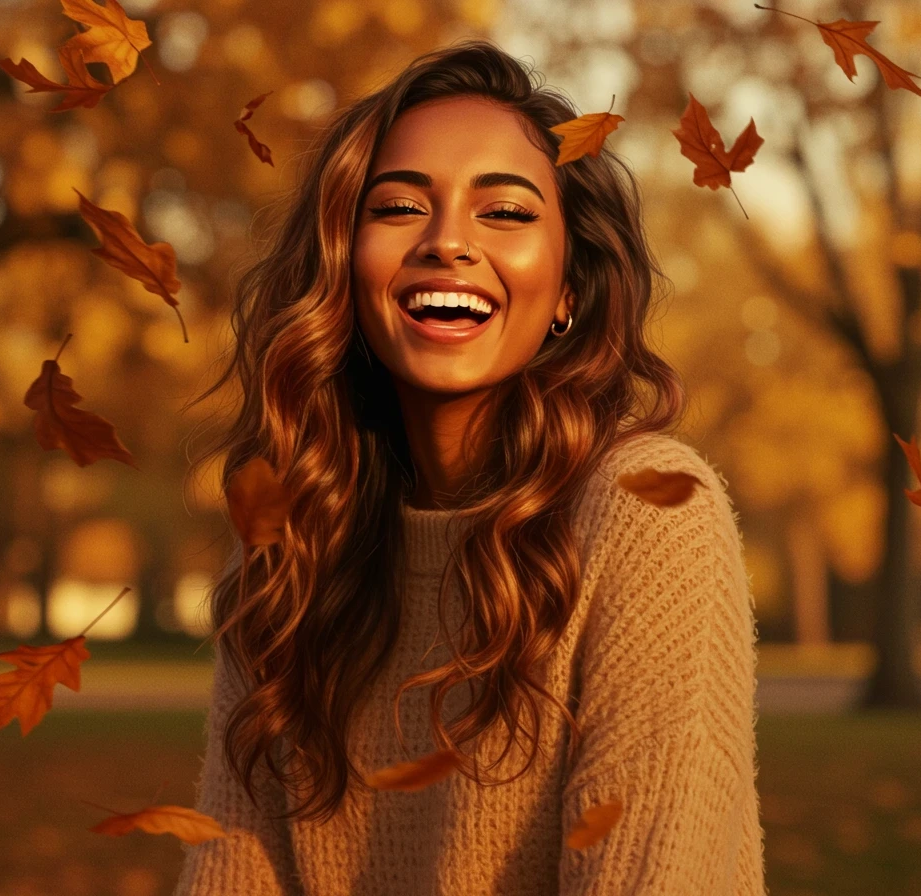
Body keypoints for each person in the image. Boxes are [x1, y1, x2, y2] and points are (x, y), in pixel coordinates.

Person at [175, 38, 766, 896]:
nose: (448, 242)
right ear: (344, 263)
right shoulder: (291, 533)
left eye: (507, 213)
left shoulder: (648, 512)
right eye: (399, 207)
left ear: (569, 287)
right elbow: (233, 869)